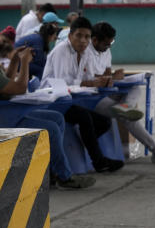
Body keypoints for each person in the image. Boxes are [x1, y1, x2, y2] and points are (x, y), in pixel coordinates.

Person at [0, 45, 95, 189]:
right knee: (50, 129)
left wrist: (14, 61)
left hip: (9, 112)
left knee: (56, 117)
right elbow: (18, 88)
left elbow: (6, 83)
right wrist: (25, 62)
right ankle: (64, 177)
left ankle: (52, 172)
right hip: (5, 118)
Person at [41, 17, 125, 173]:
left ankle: (85, 140)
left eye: (87, 37)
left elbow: (88, 78)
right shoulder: (61, 51)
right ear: (70, 36)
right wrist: (91, 83)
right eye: (79, 35)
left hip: (69, 100)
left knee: (104, 122)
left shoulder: (85, 53)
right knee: (84, 117)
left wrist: (104, 81)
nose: (83, 41)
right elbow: (62, 82)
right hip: (53, 101)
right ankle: (99, 161)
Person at [87, 22, 155, 163]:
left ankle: (125, 106)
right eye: (106, 44)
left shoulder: (105, 51)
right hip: (93, 97)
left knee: (135, 88)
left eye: (111, 44)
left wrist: (114, 76)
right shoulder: (86, 52)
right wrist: (112, 78)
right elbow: (89, 80)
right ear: (95, 40)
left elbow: (106, 73)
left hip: (106, 90)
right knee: (126, 118)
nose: (108, 47)